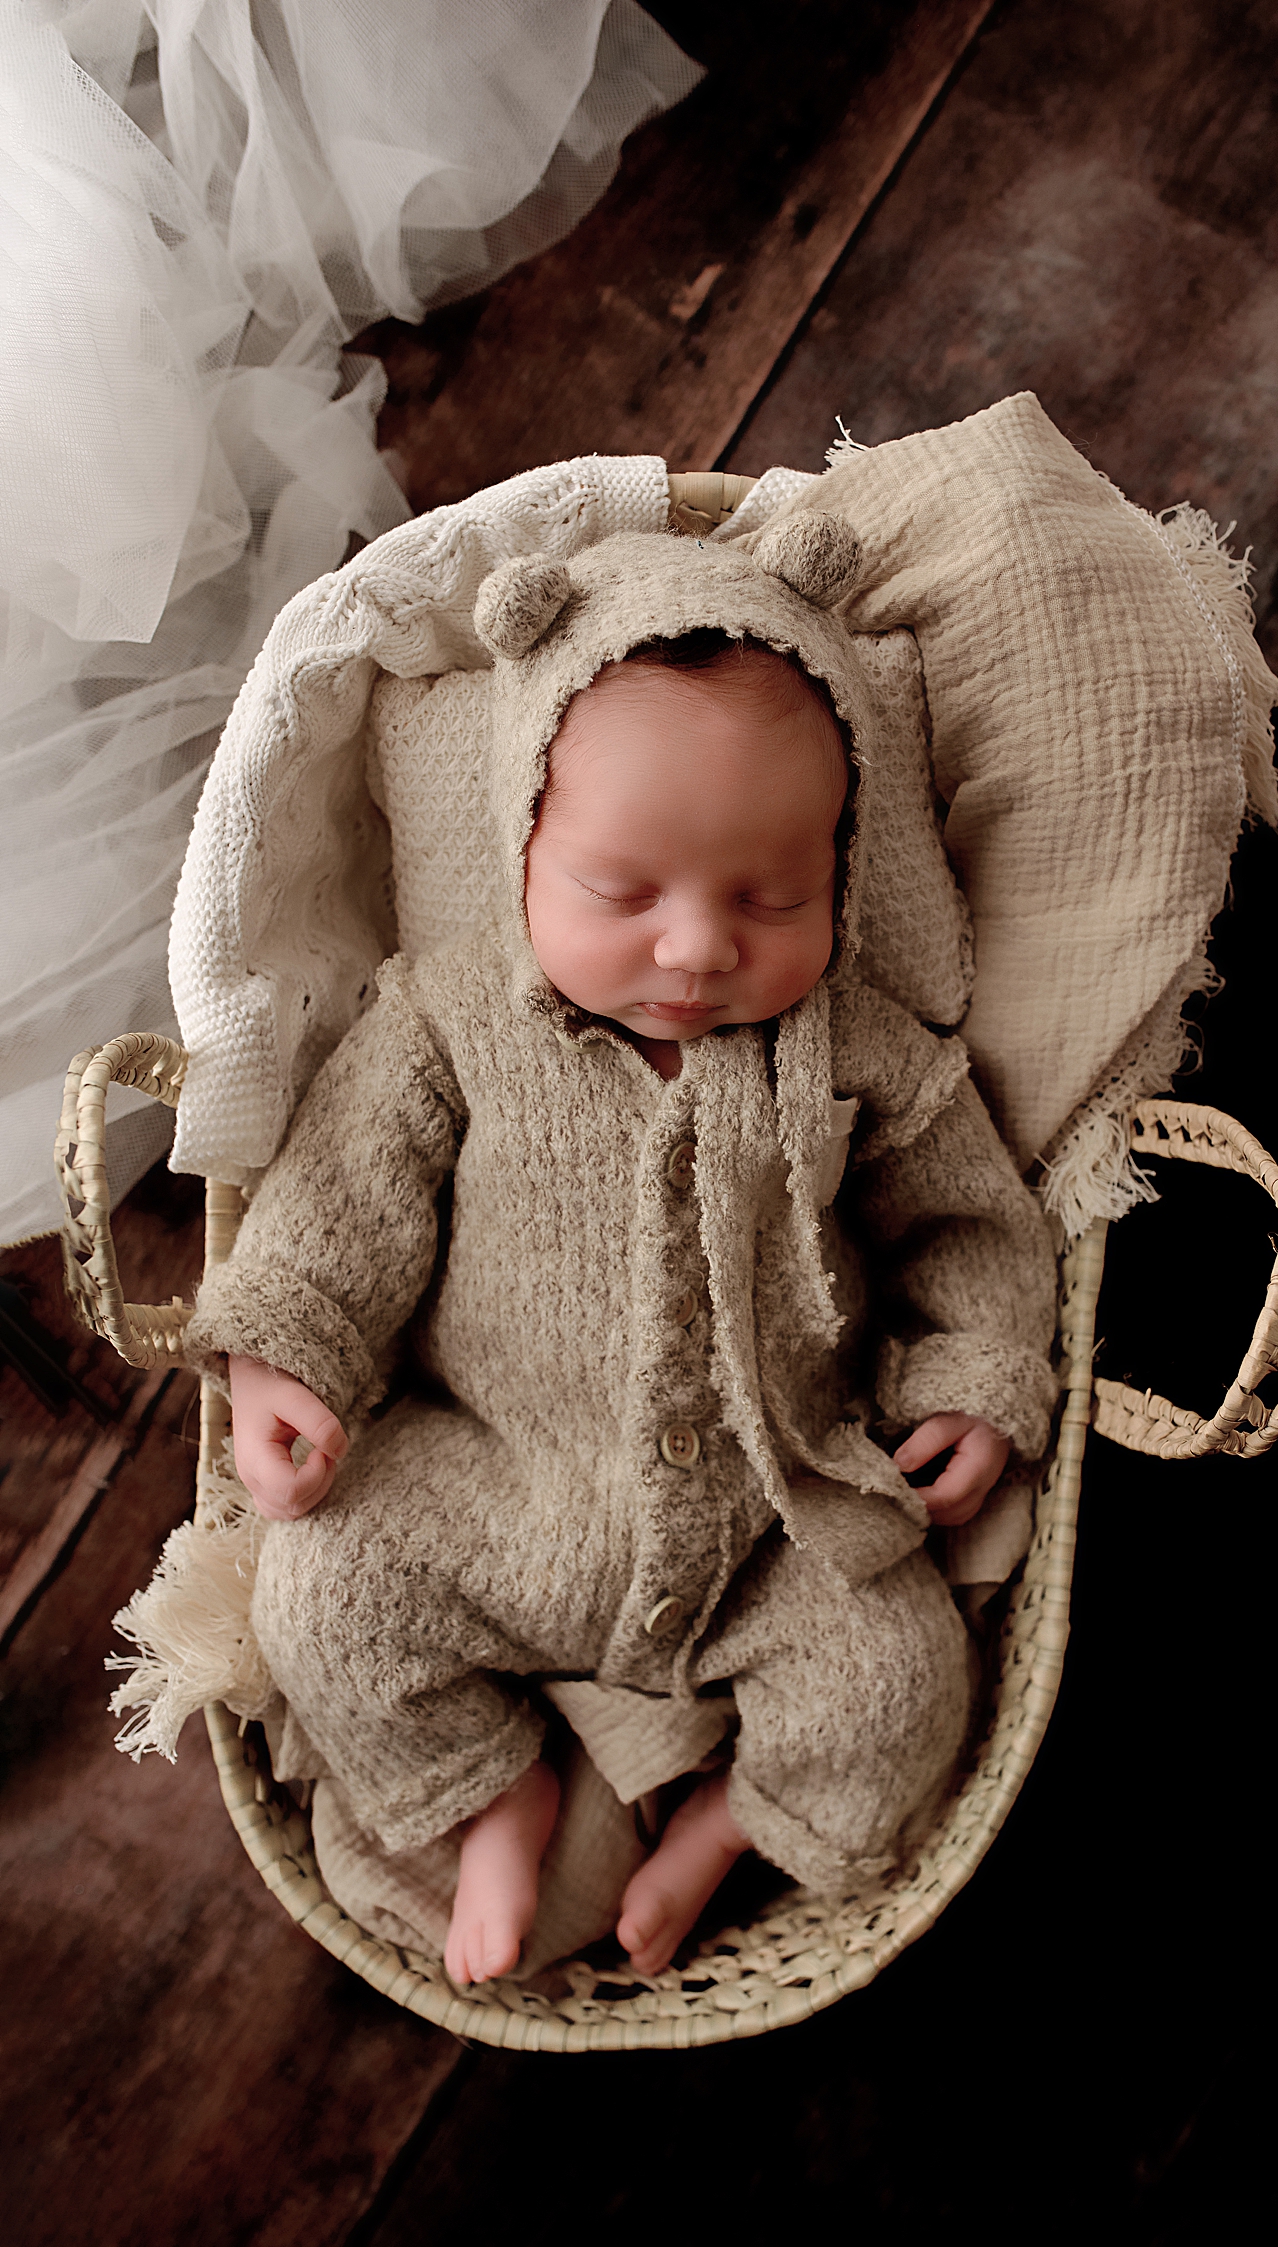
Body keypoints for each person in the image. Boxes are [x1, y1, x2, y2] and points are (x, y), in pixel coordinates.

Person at [187, 516, 1058, 1988]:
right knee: (321, 1585)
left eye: (771, 899)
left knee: (906, 1674)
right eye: (622, 893)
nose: (697, 951)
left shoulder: (858, 1049)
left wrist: (975, 1374)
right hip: (503, 1481)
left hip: (780, 1508)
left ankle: (727, 1812)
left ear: (840, 871)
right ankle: (497, 1789)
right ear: (524, 840)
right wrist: (292, 1354)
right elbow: (345, 1196)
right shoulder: (445, 1020)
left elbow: (968, 1218)